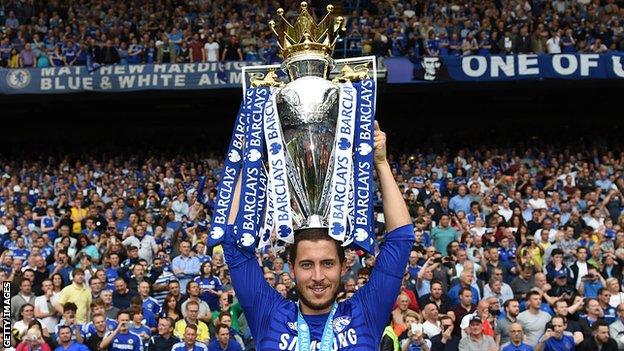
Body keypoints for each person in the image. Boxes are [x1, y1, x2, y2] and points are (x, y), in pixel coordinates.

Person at [221, 122, 413, 350]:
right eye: (306, 265)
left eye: (328, 263)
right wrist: (250, 164)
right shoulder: (269, 314)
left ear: (343, 267)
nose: (318, 276)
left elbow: (401, 241)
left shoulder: (366, 312)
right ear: (291, 268)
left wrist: (380, 163)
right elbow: (233, 243)